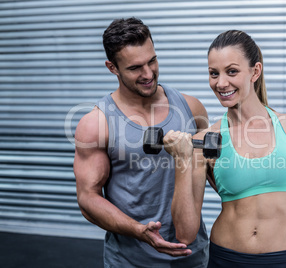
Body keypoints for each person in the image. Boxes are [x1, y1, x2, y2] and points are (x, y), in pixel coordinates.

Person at [164, 30, 286, 267]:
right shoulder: (206, 140)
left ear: (255, 71)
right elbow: (185, 234)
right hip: (227, 258)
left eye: (231, 71)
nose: (221, 83)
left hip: (284, 259)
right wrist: (182, 161)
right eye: (214, 74)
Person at [73, 17, 209, 267]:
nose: (148, 74)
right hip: (131, 260)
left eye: (152, 61)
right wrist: (139, 231)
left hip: (192, 256)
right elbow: (88, 199)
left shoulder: (191, 108)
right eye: (135, 68)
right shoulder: (96, 124)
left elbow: (212, 171)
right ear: (112, 67)